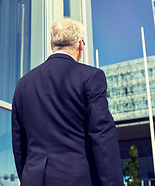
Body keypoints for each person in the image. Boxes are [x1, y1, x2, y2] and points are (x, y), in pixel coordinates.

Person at [12, 18, 124, 186]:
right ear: (80, 45)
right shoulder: (91, 76)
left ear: (51, 44)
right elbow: (101, 136)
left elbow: (19, 142)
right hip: (76, 179)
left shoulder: (23, 83)